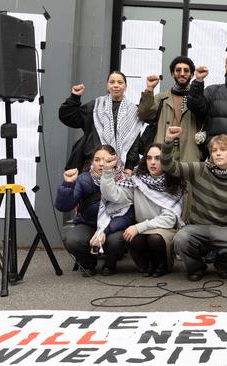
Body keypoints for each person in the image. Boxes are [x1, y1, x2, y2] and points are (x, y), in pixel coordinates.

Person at [162, 127, 227, 281]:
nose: (217, 153)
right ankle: (196, 267)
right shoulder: (200, 169)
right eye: (214, 150)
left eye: (223, 149)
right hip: (197, 226)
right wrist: (168, 141)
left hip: (225, 228)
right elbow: (169, 167)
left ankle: (223, 265)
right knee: (180, 239)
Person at [99, 143, 185, 277]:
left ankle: (163, 266)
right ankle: (146, 265)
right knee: (131, 237)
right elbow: (113, 195)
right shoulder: (138, 180)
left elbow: (169, 220)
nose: (152, 162)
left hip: (164, 230)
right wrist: (108, 172)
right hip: (142, 228)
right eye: (149, 158)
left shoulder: (173, 182)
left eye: (158, 158)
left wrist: (139, 227)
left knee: (154, 239)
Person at [54, 145, 134, 276]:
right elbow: (63, 207)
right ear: (92, 162)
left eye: (106, 160)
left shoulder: (125, 181)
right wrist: (67, 184)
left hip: (114, 226)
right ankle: (88, 264)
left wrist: (103, 231)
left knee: (116, 241)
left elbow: (128, 216)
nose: (101, 164)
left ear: (115, 161)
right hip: (89, 223)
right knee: (72, 239)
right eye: (97, 160)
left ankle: (110, 264)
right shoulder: (84, 179)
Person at [59, 71, 144, 174]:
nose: (116, 85)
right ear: (107, 86)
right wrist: (75, 97)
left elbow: (134, 142)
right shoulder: (95, 106)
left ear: (125, 86)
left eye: (120, 82)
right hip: (91, 165)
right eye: (112, 82)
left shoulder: (133, 111)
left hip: (121, 169)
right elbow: (70, 118)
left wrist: (129, 168)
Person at [137, 56, 202, 162]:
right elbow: (144, 115)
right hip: (162, 149)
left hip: (189, 152)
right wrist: (149, 89)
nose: (182, 73)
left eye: (186, 70)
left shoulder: (198, 99)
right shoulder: (161, 98)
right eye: (178, 70)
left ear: (192, 74)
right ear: (172, 74)